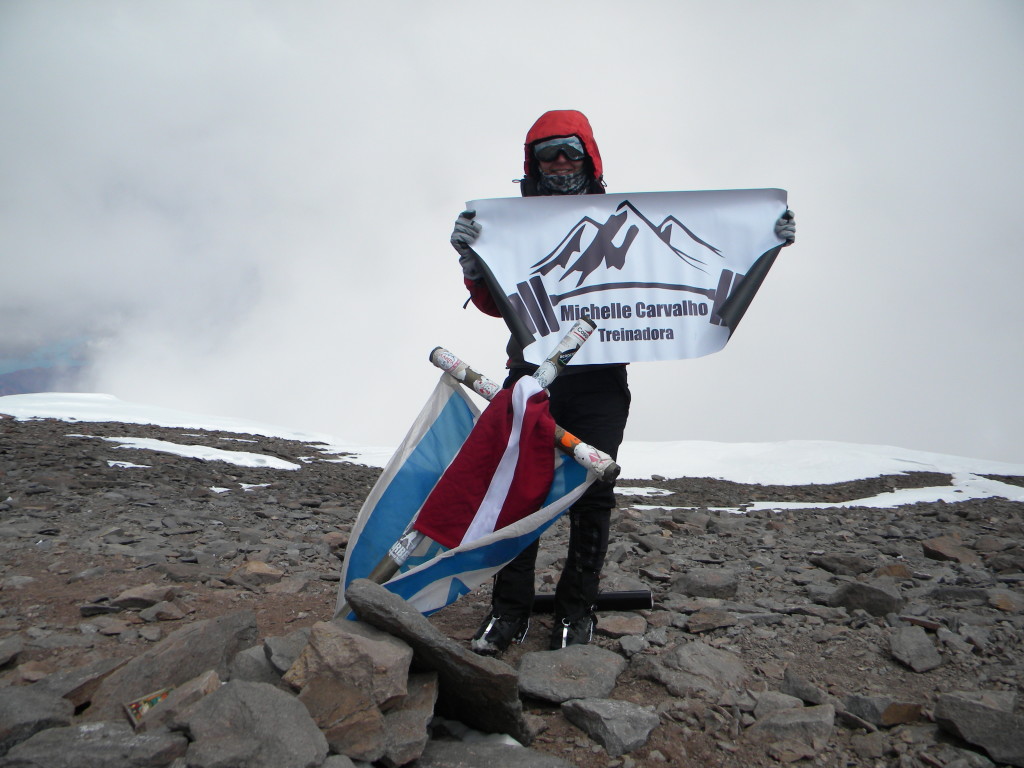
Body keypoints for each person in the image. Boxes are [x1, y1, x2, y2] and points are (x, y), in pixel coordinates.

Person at [450, 109, 795, 653]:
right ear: (532, 164)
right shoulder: (508, 224)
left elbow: (699, 266)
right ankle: (508, 611)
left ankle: (576, 611)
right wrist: (474, 260)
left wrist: (764, 237)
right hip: (532, 376)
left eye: (570, 152)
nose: (560, 164)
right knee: (520, 491)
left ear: (589, 157)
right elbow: (498, 304)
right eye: (548, 154)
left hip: (599, 383)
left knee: (592, 493)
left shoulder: (623, 218)